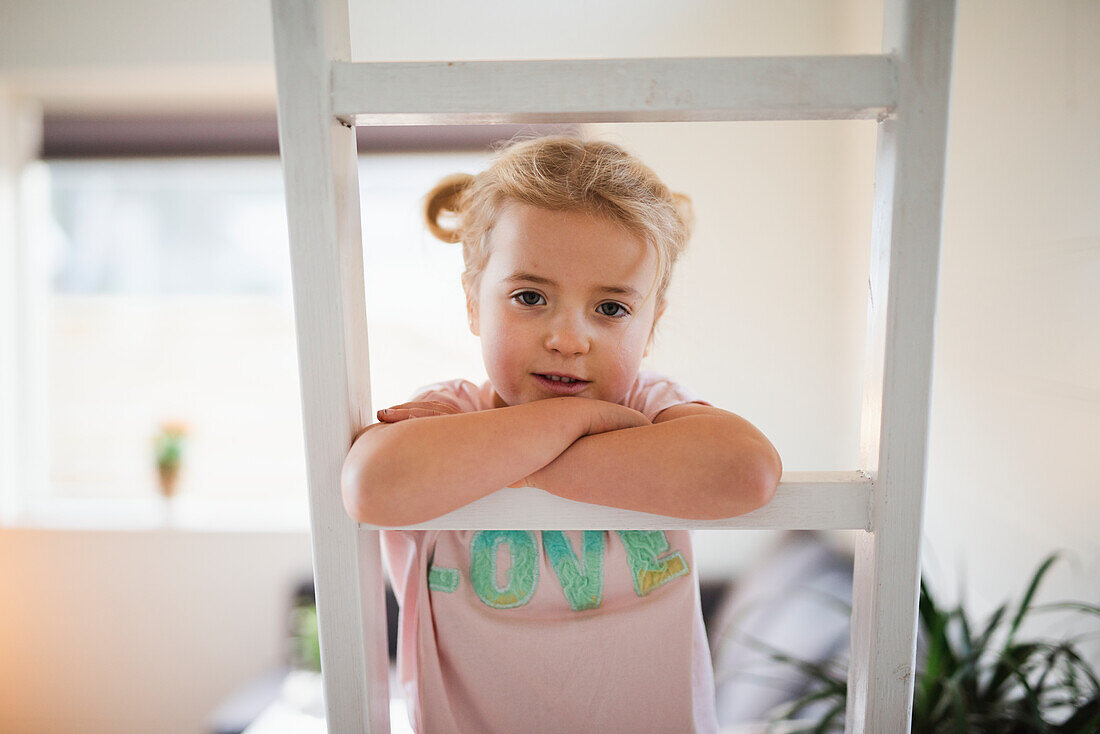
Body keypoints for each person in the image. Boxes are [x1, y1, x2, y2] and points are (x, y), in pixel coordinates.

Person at [340, 135, 782, 734]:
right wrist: (572, 421)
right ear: (473, 302)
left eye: (612, 309)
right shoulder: (451, 411)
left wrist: (512, 453)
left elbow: (747, 472)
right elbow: (372, 484)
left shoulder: (650, 410)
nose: (569, 339)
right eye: (530, 297)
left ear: (652, 326)